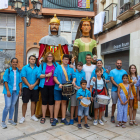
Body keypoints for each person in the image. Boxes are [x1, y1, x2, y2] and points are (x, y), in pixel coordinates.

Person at [36, 14, 69, 118]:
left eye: (56, 24)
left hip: (60, 67)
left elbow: (66, 54)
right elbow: (41, 55)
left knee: (60, 88)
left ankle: (59, 114)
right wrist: (40, 62)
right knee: (45, 92)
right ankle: (43, 113)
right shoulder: (44, 39)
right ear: (49, 26)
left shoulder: (63, 40)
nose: (54, 26)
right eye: (52, 24)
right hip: (47, 66)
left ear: (59, 26)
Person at [52, 54, 76, 126]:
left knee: (64, 103)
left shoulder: (71, 68)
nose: (66, 60)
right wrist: (59, 83)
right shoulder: (58, 67)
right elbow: (54, 77)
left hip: (67, 89)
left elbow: (74, 76)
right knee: (57, 103)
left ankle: (63, 118)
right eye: (65, 59)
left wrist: (73, 81)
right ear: (62, 60)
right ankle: (55, 119)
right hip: (58, 88)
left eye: (67, 59)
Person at [37, 52, 59, 124]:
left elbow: (62, 69)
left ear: (53, 57)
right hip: (44, 86)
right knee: (44, 101)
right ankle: (43, 117)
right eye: (48, 56)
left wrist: (72, 67)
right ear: (46, 57)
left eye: (51, 56)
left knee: (51, 102)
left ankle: (51, 117)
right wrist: (46, 75)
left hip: (53, 86)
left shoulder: (56, 65)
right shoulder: (43, 65)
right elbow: (38, 75)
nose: (50, 57)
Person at [1, 58, 22, 129]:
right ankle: (3, 121)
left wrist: (20, 90)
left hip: (16, 91)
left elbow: (20, 81)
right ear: (11, 63)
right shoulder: (8, 71)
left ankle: (10, 119)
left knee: (12, 105)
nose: (15, 63)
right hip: (9, 91)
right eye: (13, 62)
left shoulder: (19, 71)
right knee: (7, 106)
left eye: (16, 62)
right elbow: (5, 81)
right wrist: (7, 91)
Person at [19, 55, 39, 124]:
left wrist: (33, 85)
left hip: (35, 87)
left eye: (34, 59)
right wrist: (29, 85)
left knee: (33, 102)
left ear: (35, 60)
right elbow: (23, 77)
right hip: (26, 87)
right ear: (29, 60)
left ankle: (32, 115)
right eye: (31, 59)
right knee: (25, 102)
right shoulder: (25, 68)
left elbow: (38, 78)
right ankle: (23, 117)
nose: (33, 60)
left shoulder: (38, 68)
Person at [83, 54, 96, 120]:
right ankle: (82, 114)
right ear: (85, 59)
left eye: (89, 58)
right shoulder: (83, 66)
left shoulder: (94, 66)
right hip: (84, 86)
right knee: (83, 100)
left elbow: (101, 69)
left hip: (91, 86)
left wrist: (106, 71)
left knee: (89, 101)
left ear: (91, 59)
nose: (88, 59)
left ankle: (87, 114)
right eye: (87, 58)